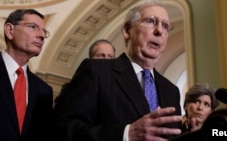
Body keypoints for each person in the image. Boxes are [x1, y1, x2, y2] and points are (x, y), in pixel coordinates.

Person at [53, 0, 182, 141]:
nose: (159, 31)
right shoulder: (96, 71)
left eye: (165, 26)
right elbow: (64, 129)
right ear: (127, 31)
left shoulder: (172, 91)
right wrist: (126, 134)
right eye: (151, 21)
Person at [0, 9, 53, 141]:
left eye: (44, 31)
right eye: (33, 27)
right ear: (9, 30)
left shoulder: (44, 91)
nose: (41, 35)